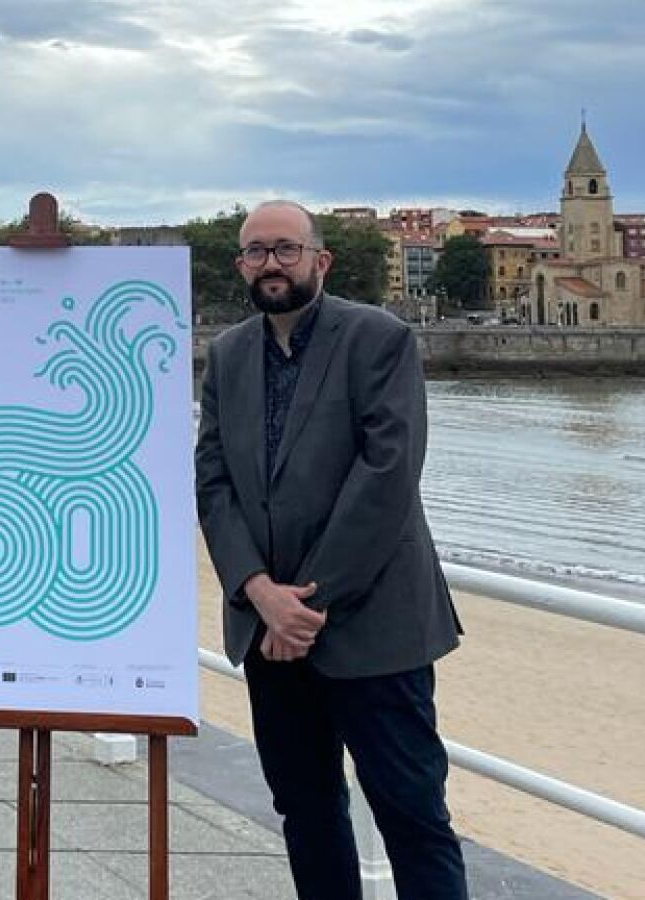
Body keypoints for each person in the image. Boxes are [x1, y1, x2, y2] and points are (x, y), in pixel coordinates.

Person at [195, 200, 467, 900]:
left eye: (286, 249)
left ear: (322, 259)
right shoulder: (228, 355)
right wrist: (259, 591)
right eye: (256, 252)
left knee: (412, 817)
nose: (271, 264)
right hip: (269, 633)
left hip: (373, 629)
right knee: (306, 811)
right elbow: (214, 482)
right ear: (241, 266)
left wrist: (304, 606)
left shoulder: (378, 339)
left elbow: (387, 476)